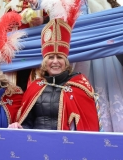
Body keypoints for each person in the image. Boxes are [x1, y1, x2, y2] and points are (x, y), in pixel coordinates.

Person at [9, 0, 100, 131]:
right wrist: (19, 127)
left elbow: (87, 127)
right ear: (45, 62)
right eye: (51, 57)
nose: (55, 61)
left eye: (59, 57)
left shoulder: (80, 86)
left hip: (66, 146)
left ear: (66, 62)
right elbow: (27, 122)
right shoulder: (35, 87)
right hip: (37, 144)